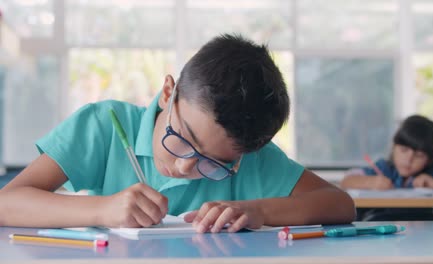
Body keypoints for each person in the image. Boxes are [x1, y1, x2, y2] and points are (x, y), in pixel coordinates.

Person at [0, 34, 355, 232]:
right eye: (184, 139)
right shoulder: (104, 125)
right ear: (169, 93)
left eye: (214, 163)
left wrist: (259, 210)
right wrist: (102, 210)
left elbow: (341, 204)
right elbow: (6, 204)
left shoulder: (249, 160)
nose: (186, 167)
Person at [341, 115, 433, 191]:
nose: (408, 160)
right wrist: (371, 182)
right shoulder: (384, 168)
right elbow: (346, 181)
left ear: (429, 159)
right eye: (403, 150)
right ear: (394, 147)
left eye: (419, 155)